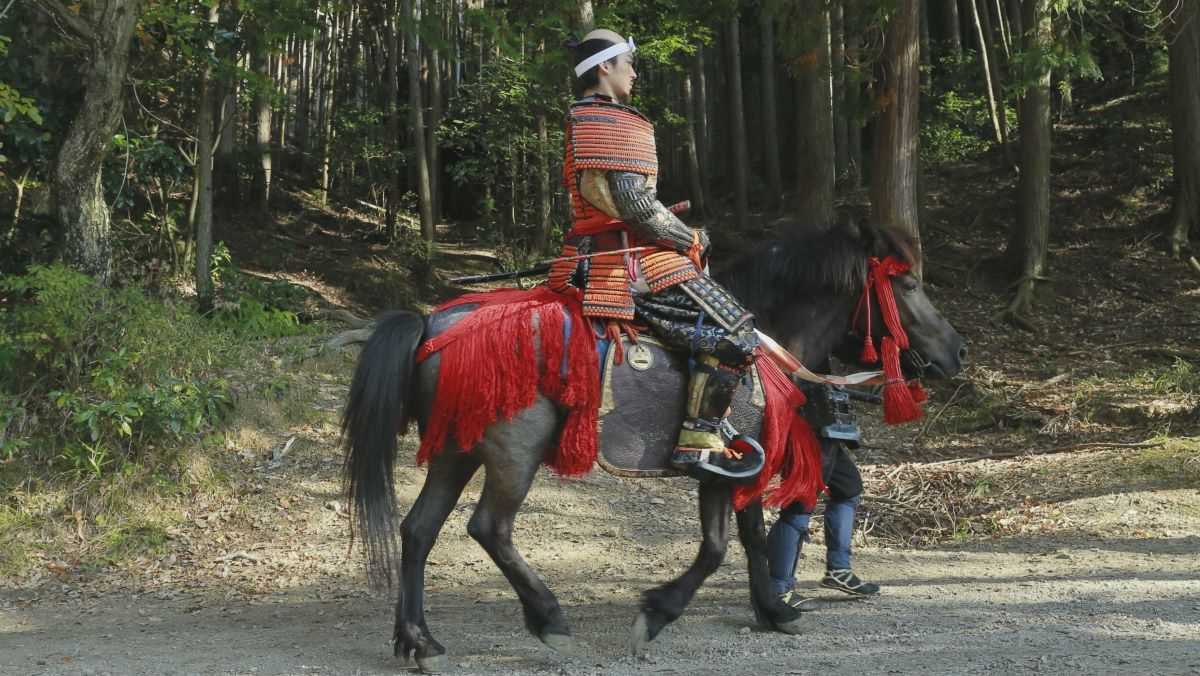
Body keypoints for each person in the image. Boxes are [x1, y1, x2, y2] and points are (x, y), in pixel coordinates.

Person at [550, 29, 762, 480]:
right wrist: (689, 237)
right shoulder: (610, 121)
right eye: (628, 63)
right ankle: (698, 442)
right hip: (627, 262)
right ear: (604, 67)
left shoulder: (587, 117)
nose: (634, 73)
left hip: (599, 253)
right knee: (737, 334)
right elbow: (637, 208)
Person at [767, 385, 881, 606]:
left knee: (848, 487)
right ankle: (778, 588)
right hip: (802, 425)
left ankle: (838, 569)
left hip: (824, 420)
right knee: (799, 506)